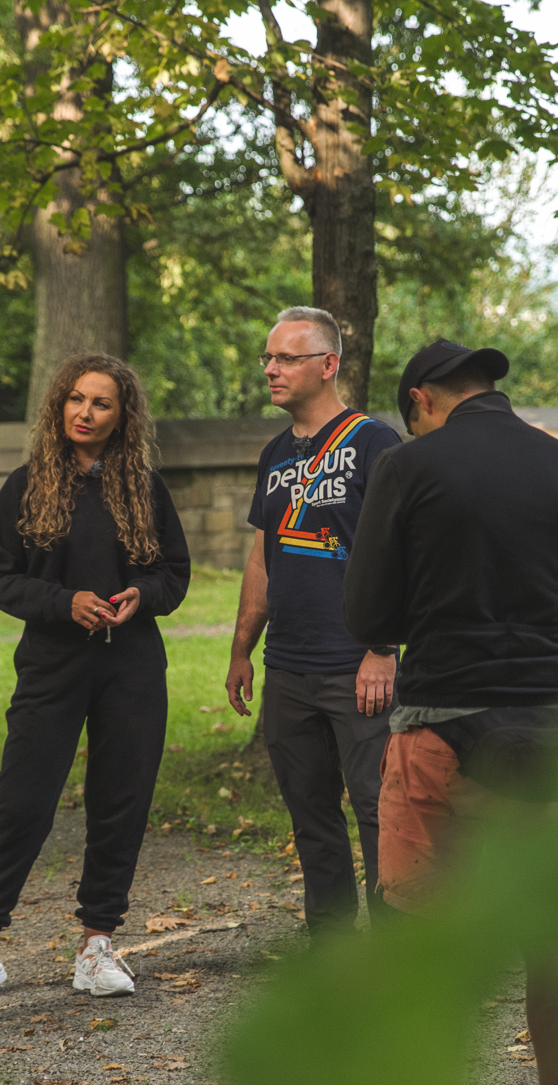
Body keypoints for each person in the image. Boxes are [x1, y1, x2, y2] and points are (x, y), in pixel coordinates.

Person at [344, 339, 558, 1085]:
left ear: (424, 399)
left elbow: (367, 614)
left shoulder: (411, 466)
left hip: (440, 737)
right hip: (549, 741)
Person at [0, 354, 191, 1003]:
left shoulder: (144, 488)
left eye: (101, 403)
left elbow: (174, 572)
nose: (85, 411)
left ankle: (97, 943)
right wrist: (62, 601)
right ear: (59, 406)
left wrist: (142, 593)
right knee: (21, 800)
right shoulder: (27, 485)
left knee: (121, 800)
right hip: (52, 663)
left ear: (122, 415)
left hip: (131, 664)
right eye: (76, 399)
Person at [224, 306, 402, 939]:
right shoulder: (275, 454)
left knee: (379, 809)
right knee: (311, 813)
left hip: (357, 668)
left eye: (287, 358)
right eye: (268, 358)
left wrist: (383, 649)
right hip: (289, 669)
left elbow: (403, 550)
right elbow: (262, 556)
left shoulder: (375, 444)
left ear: (328, 365)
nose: (271, 369)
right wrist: (243, 648)